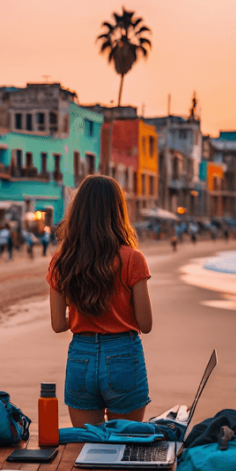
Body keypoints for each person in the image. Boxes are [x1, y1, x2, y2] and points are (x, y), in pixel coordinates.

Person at [47, 175, 153, 427]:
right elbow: (145, 324)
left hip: (81, 357)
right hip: (123, 356)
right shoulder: (132, 259)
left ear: (78, 211)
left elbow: (58, 325)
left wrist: (82, 313)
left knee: (88, 445)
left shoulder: (62, 260)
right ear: (118, 211)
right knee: (124, 442)